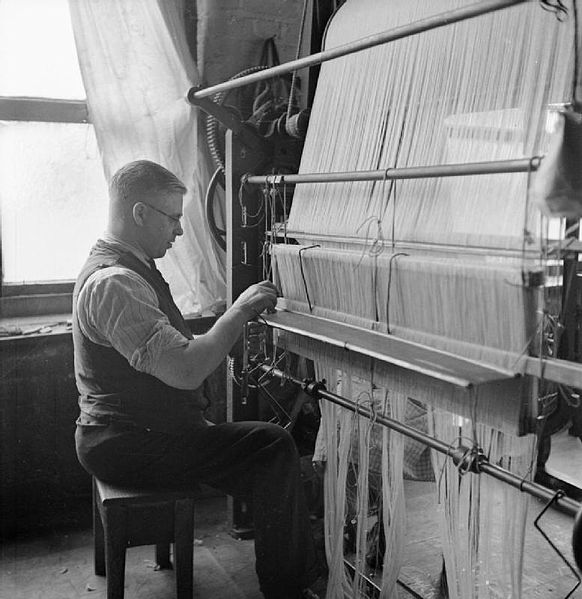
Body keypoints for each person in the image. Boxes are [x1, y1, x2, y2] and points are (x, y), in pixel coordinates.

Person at [73, 159, 324, 599]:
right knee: (273, 447)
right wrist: (241, 310)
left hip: (128, 434)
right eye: (172, 218)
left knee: (266, 458)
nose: (179, 231)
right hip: (126, 444)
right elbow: (187, 370)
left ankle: (300, 556)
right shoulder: (115, 283)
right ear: (139, 214)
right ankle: (288, 587)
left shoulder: (128, 268)